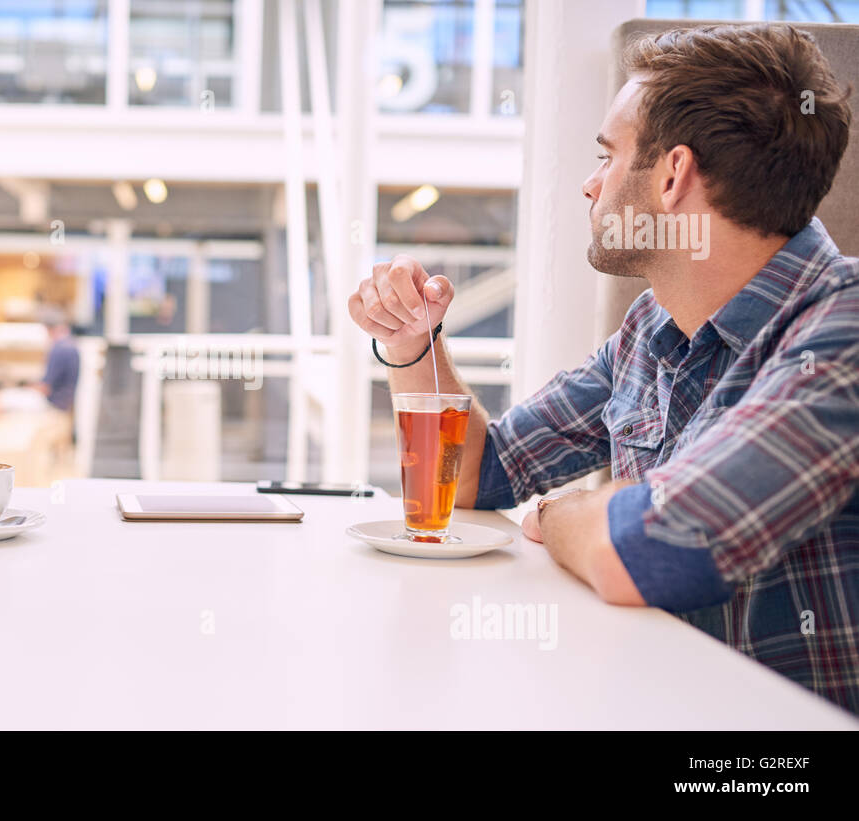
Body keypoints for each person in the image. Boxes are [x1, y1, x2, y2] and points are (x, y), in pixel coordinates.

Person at [348, 24, 857, 714]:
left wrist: (561, 512)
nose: (590, 186)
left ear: (673, 174)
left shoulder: (842, 327)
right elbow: (474, 474)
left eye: (607, 156)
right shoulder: (653, 327)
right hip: (648, 702)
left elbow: (658, 545)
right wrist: (416, 341)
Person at [34, 308, 80, 413]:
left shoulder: (59, 349)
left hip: (54, 404)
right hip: (65, 403)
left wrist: (26, 388)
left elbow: (45, 388)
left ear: (48, 329)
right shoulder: (72, 345)